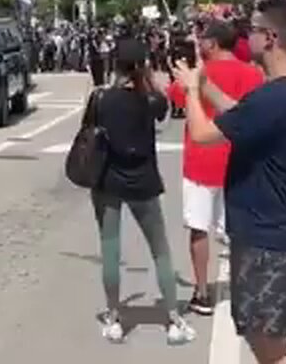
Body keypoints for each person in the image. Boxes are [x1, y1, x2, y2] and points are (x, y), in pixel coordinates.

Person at [173, 0, 286, 364]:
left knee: (266, 340)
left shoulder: (275, 97)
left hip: (267, 236)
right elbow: (240, 115)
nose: (245, 37)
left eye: (252, 29)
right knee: (262, 336)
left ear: (270, 37)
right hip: (270, 231)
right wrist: (204, 85)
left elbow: (204, 133)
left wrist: (190, 91)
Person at [89, 38, 196, 346]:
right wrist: (149, 79)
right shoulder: (149, 99)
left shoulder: (102, 98)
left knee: (110, 247)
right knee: (160, 249)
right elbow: (163, 108)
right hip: (143, 180)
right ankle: (173, 319)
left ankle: (113, 316)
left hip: (108, 179)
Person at [166, 20, 264, 316]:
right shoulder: (253, 74)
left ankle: (202, 291)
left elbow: (175, 97)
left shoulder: (200, 73)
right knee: (239, 231)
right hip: (240, 161)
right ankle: (245, 289)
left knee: (199, 229)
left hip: (201, 160)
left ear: (212, 43)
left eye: (202, 39)